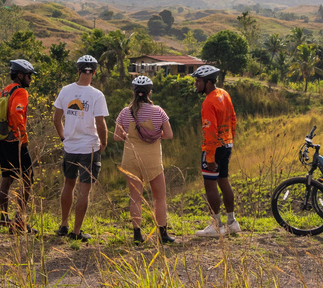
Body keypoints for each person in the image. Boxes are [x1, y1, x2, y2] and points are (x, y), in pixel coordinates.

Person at [53, 55, 109, 242]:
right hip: (89, 148)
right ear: (94, 72)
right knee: (84, 191)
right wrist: (103, 143)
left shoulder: (66, 90)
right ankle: (76, 232)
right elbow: (100, 123)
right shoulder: (96, 95)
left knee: (68, 185)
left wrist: (64, 137)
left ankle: (63, 225)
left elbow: (56, 118)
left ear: (78, 70)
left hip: (70, 147)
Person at [113, 76, 176, 244]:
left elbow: (117, 137)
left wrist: (129, 135)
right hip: (152, 160)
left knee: (135, 198)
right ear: (150, 92)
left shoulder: (125, 112)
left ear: (134, 92)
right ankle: (163, 234)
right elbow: (169, 134)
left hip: (131, 159)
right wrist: (154, 135)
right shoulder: (158, 111)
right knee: (159, 198)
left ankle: (137, 235)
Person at [191, 65, 239, 237]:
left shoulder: (208, 102)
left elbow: (210, 131)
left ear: (208, 82)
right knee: (224, 181)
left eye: (198, 81)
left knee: (210, 185)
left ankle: (216, 225)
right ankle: (232, 222)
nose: (196, 84)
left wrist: (210, 157)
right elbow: (233, 119)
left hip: (214, 148)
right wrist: (230, 142)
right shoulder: (224, 94)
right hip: (226, 144)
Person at [0, 59, 37, 233]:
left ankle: (4, 218)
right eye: (29, 76)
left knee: (7, 177)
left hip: (2, 140)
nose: (30, 79)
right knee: (28, 179)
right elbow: (15, 112)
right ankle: (19, 221)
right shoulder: (20, 92)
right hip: (15, 142)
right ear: (20, 75)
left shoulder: (4, 91)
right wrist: (22, 135)